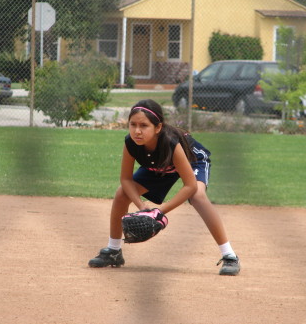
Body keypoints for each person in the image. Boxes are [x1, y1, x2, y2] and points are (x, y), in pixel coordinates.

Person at [88, 99, 240, 275]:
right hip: (159, 166)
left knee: (197, 196)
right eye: (133, 124)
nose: (137, 131)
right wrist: (141, 206)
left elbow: (189, 186)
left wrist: (159, 212)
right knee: (122, 193)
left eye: (144, 125)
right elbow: (126, 180)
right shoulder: (131, 143)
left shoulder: (170, 142)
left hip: (193, 161)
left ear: (158, 127)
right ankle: (114, 251)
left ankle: (229, 256)